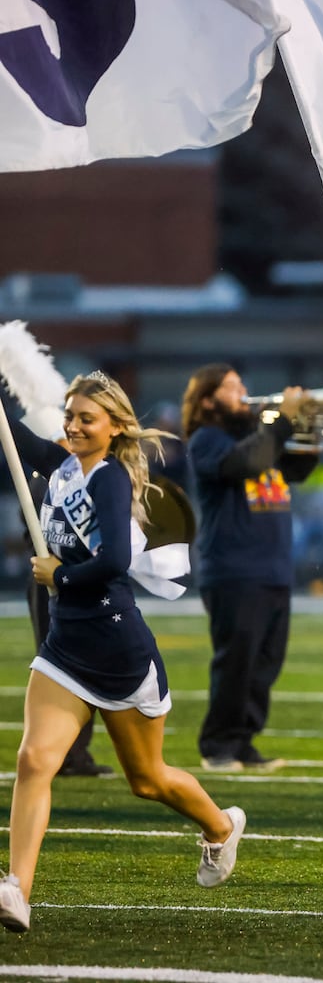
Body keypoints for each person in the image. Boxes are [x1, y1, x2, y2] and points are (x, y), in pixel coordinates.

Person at [0, 373, 247, 934]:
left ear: (114, 427)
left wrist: (59, 574)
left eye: (87, 418)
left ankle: (220, 826)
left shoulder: (109, 479)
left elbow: (112, 562)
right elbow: (15, 439)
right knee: (35, 760)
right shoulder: (64, 465)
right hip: (64, 648)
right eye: (70, 415)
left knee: (148, 779)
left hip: (117, 649)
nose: (74, 425)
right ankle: (16, 889)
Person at [182, 364, 320, 771]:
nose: (243, 390)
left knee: (265, 664)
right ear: (208, 400)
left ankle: (242, 741)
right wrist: (280, 423)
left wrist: (306, 427)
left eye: (242, 382)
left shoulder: (258, 437)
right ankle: (218, 745)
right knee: (237, 661)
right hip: (234, 569)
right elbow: (247, 464)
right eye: (231, 386)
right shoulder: (208, 439)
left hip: (272, 567)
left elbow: (299, 469)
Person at [21, 466, 112, 778]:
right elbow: (33, 529)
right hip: (53, 579)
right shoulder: (49, 476)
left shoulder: (91, 473)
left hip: (84, 580)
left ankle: (74, 752)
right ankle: (61, 753)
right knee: (58, 664)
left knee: (88, 664)